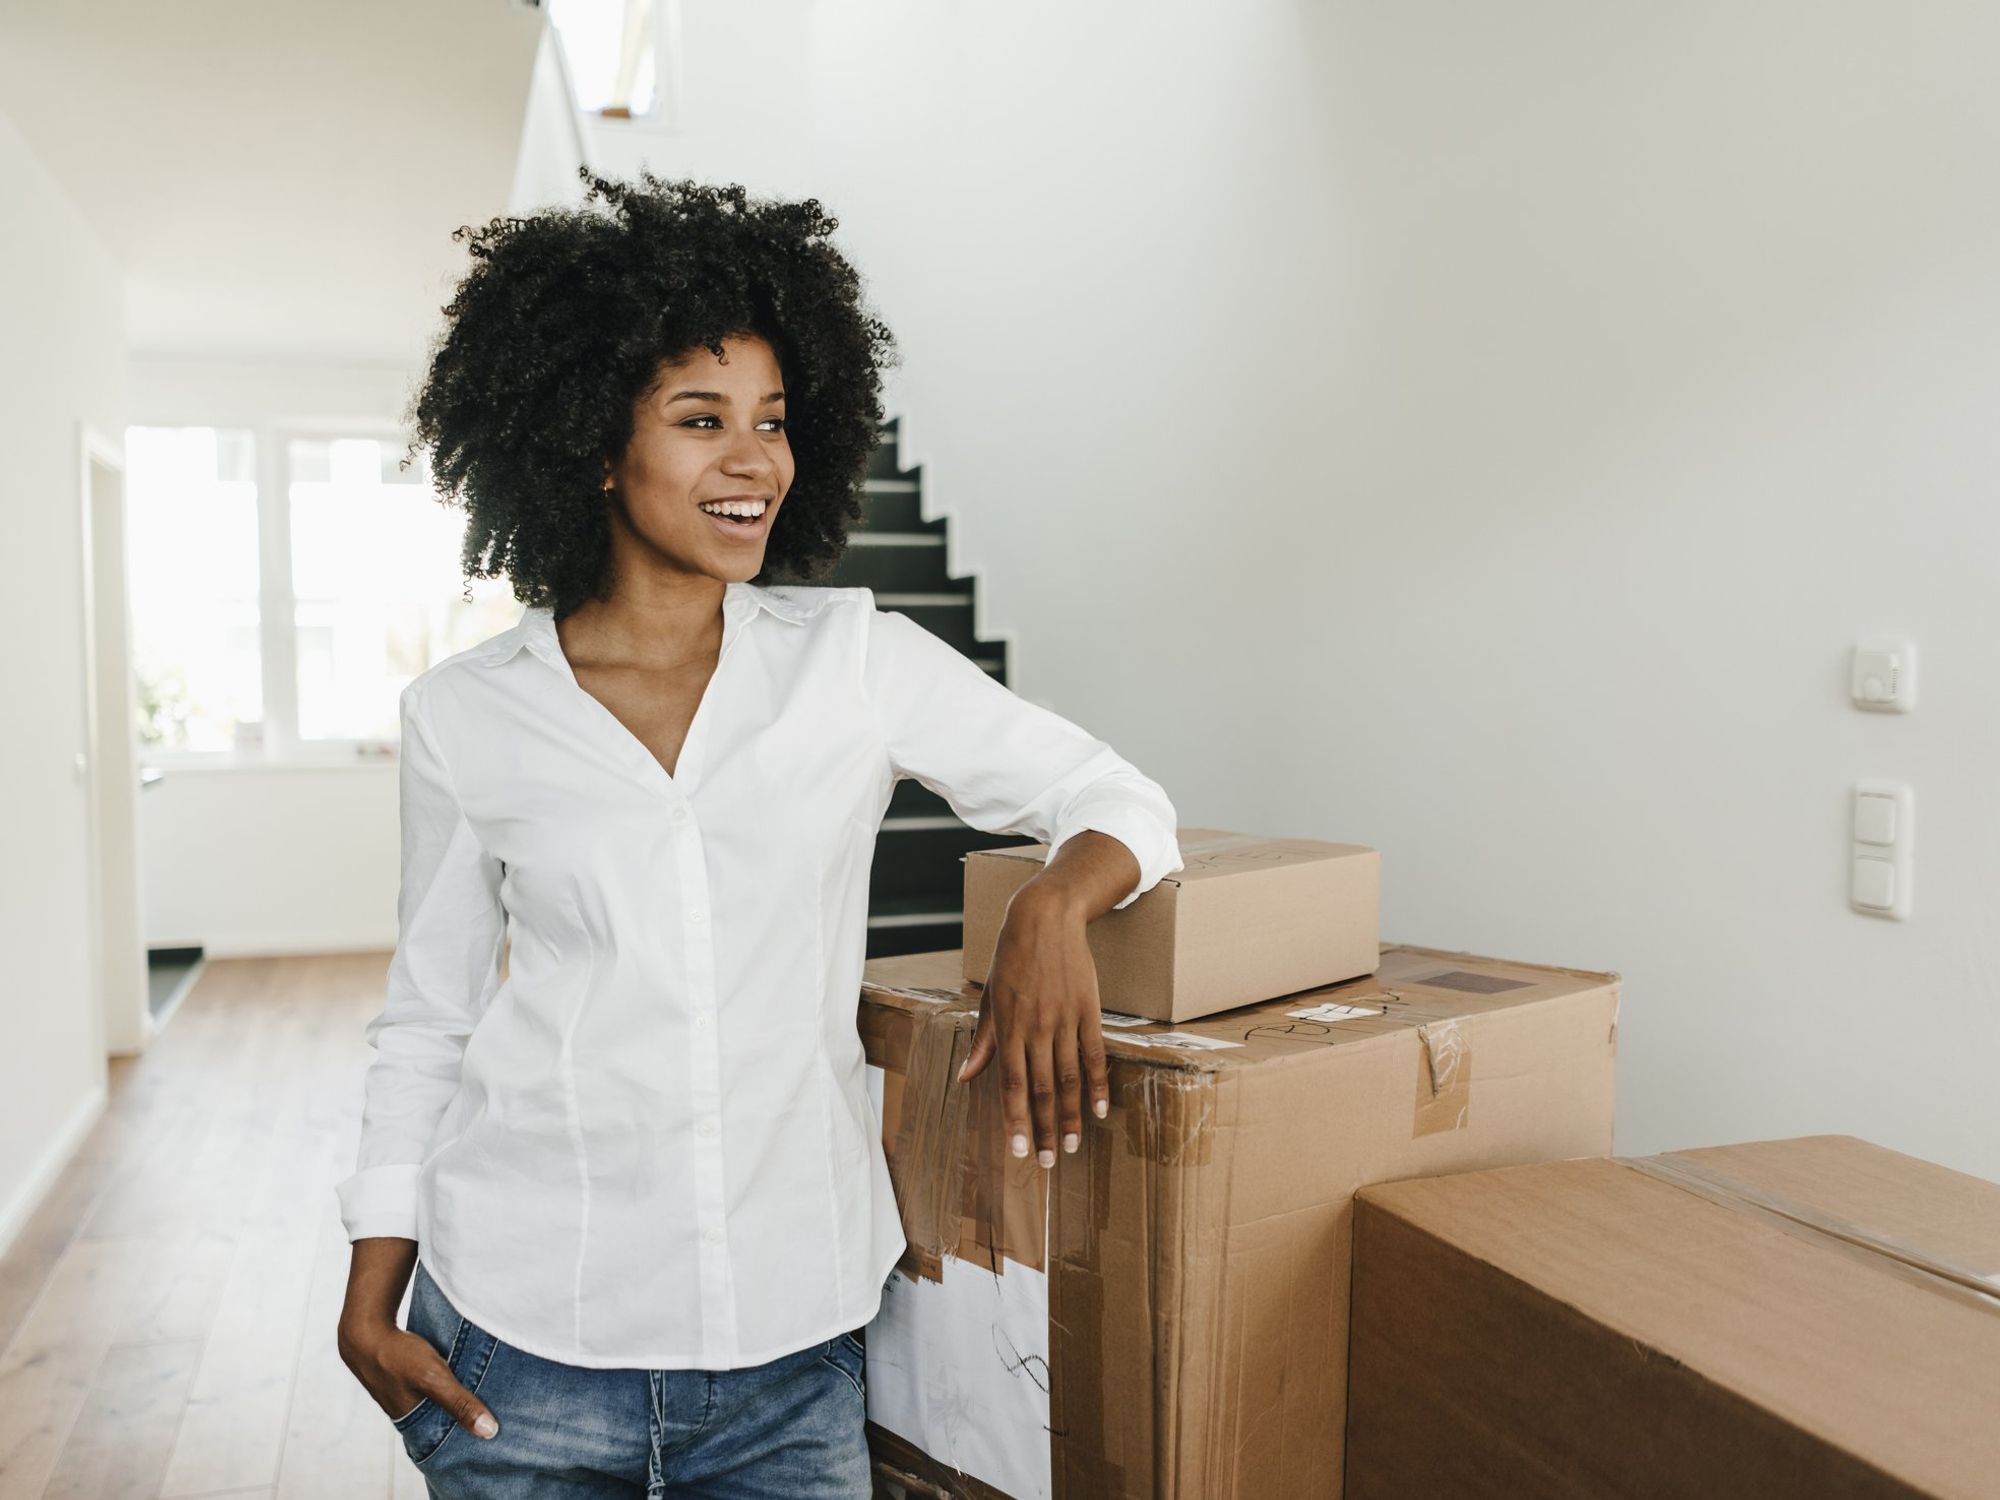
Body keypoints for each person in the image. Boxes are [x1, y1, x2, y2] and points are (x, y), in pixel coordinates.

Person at [332, 170, 1183, 1498]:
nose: (755, 462)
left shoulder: (854, 660)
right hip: (525, 1352)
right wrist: (369, 1293)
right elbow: (429, 1018)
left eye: (775, 423)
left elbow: (1119, 798)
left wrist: (1052, 906)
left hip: (793, 1357)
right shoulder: (464, 719)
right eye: (701, 419)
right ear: (595, 447)